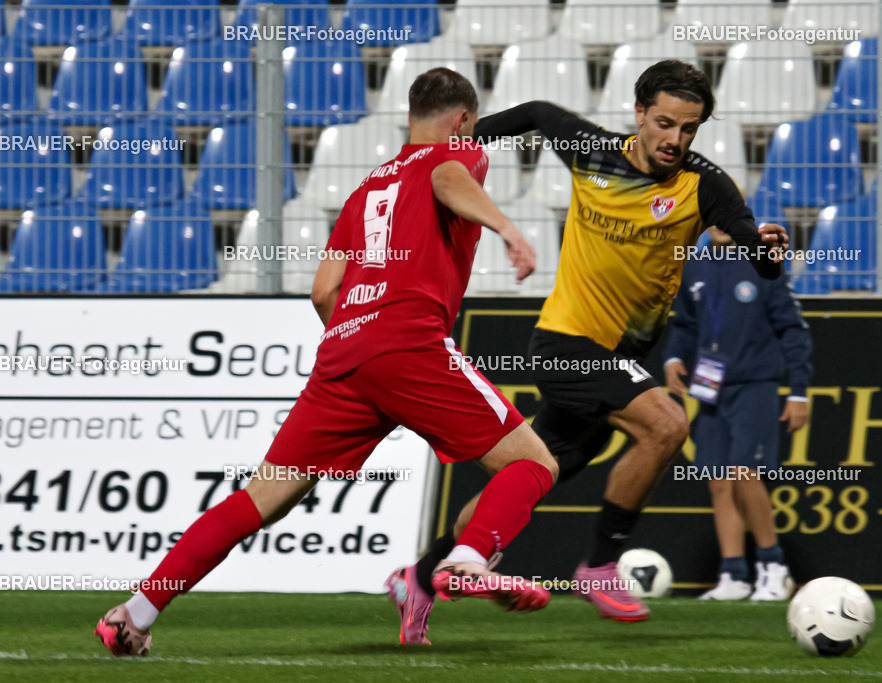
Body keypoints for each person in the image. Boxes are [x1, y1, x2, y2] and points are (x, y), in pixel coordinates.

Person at [93, 68, 560, 656]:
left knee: (258, 501)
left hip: (344, 352)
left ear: (409, 116)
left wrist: (363, 347)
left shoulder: (364, 191)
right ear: (462, 120)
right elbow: (446, 176)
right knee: (533, 463)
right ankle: (466, 560)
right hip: (409, 342)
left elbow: (322, 291)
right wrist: (507, 227)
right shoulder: (455, 155)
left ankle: (132, 615)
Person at [386, 59, 789, 640]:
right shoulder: (593, 152)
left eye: (688, 129)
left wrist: (772, 251)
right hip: (564, 345)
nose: (674, 139)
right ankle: (601, 566)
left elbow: (763, 259)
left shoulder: (704, 186)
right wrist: (462, 139)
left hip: (617, 364)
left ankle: (419, 578)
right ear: (639, 114)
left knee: (530, 474)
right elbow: (537, 114)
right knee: (667, 426)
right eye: (665, 123)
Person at [663, 226, 813, 601]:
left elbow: (793, 330)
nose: (720, 222)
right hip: (710, 385)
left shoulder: (764, 264)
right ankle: (733, 575)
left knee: (746, 474)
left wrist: (798, 392)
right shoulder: (694, 266)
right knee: (718, 479)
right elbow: (684, 323)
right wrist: (674, 356)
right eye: (713, 214)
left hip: (755, 383)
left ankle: (773, 567)